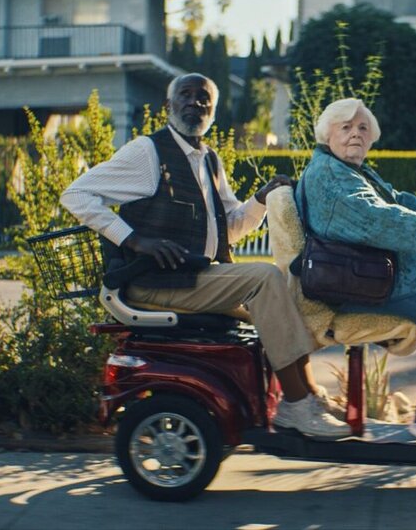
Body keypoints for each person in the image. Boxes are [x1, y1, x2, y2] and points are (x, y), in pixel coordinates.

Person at [60, 73, 349, 438]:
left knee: (285, 298)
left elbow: (228, 227)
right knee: (265, 279)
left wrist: (260, 199)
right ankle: (296, 406)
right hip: (155, 282)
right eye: (186, 95)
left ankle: (307, 395)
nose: (195, 103)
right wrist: (133, 240)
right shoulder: (147, 152)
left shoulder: (208, 159)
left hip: (192, 278)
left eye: (204, 98)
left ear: (213, 111)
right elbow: (76, 195)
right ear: (168, 106)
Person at [297, 98, 416, 447]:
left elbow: (396, 199)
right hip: (358, 285)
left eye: (362, 128)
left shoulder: (350, 170)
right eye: (346, 127)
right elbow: (374, 217)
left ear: (371, 139)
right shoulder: (329, 175)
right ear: (327, 134)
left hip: (375, 277)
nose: (355, 134)